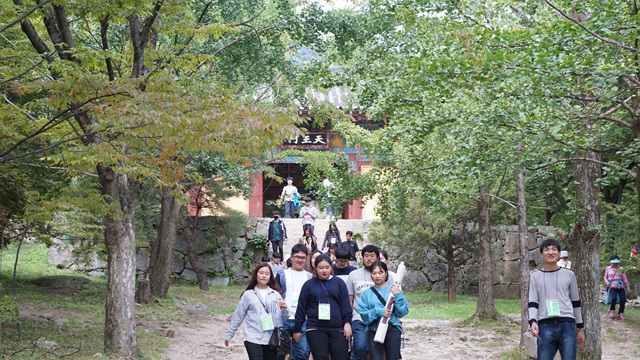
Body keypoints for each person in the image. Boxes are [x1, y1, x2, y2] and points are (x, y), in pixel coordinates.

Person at [528, 238, 585, 360]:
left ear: (559, 253)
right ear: (541, 254)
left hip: (567, 325)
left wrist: (581, 328)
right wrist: (532, 321)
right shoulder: (535, 277)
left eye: (554, 249)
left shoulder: (569, 275)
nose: (551, 252)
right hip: (545, 325)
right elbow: (533, 302)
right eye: (547, 249)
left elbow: (576, 302)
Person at [294, 254, 352, 360]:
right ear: (315, 268)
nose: (324, 271)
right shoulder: (308, 285)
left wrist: (347, 323)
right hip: (315, 327)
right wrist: (297, 329)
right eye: (320, 268)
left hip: (337, 328)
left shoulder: (339, 283)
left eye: (327, 267)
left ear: (331, 267)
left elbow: (346, 305)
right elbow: (301, 308)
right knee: (321, 357)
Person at [225, 263, 289, 360]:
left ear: (270, 276)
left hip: (271, 339)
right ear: (256, 275)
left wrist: (285, 308)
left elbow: (284, 317)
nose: (264, 276)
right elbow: (238, 316)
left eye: (267, 274)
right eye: (261, 273)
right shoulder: (248, 295)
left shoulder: (275, 294)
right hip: (253, 337)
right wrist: (229, 335)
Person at [347, 245, 395, 360]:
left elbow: (394, 299)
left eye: (372, 256)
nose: (369, 259)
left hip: (382, 319)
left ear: (378, 257)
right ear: (361, 258)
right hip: (360, 318)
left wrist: (397, 321)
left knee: (378, 350)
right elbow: (350, 300)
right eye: (366, 256)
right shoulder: (353, 275)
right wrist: (347, 321)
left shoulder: (388, 276)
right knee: (360, 347)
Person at [358, 261, 409, 360]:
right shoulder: (366, 294)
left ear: (386, 273)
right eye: (374, 273)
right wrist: (378, 312)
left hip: (393, 329)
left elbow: (403, 311)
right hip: (374, 329)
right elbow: (364, 315)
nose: (377, 276)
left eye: (380, 272)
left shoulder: (393, 289)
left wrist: (398, 294)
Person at [280, 244, 312, 360]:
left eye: (303, 257)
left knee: (302, 353)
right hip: (284, 318)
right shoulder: (282, 274)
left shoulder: (309, 277)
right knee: (280, 353)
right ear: (291, 257)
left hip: (303, 319)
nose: (300, 260)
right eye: (297, 257)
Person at [604, 255, 631, 320]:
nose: (615, 263)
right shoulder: (608, 268)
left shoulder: (621, 269)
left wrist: (628, 287)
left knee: (623, 299)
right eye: (614, 262)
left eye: (616, 262)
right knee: (614, 298)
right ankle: (612, 310)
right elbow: (605, 277)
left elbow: (624, 278)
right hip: (612, 285)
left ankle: (620, 313)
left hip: (620, 286)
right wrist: (607, 282)